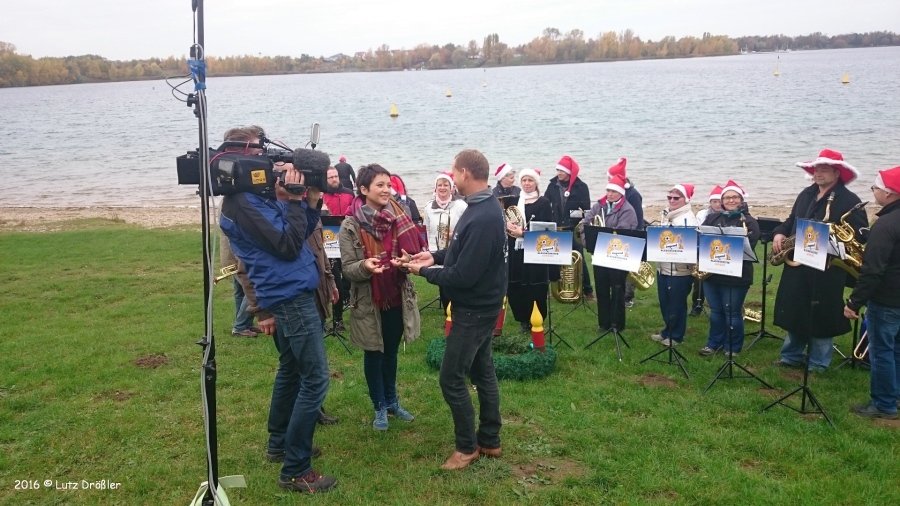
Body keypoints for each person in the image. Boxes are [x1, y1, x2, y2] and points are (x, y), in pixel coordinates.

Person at [219, 128, 336, 493]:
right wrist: (296, 199)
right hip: (289, 296)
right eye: (261, 154)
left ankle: (279, 443)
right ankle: (295, 469)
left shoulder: (255, 196)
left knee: (291, 369)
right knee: (315, 379)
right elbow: (286, 246)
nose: (269, 163)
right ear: (241, 156)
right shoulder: (243, 203)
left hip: (290, 290)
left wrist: (309, 200)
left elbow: (298, 233)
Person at [403, 149, 506, 471]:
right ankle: (490, 439)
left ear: (465, 173)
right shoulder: (479, 206)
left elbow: (463, 276)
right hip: (480, 305)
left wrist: (423, 272)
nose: (451, 176)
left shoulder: (485, 215)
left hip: (475, 309)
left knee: (451, 378)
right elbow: (462, 251)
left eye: (454, 171)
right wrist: (434, 257)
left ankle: (466, 447)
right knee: (483, 372)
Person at [339, 163, 426, 431]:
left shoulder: (399, 215)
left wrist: (407, 261)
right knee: (374, 353)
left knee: (390, 353)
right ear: (364, 189)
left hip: (397, 296)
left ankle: (392, 402)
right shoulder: (351, 225)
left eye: (388, 184)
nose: (387, 189)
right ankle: (379, 406)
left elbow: (413, 252)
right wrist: (365, 266)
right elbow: (348, 269)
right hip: (369, 301)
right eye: (380, 185)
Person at [772, 149, 867, 372]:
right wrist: (779, 232)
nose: (818, 173)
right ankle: (791, 356)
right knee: (795, 309)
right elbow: (791, 220)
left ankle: (818, 363)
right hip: (798, 263)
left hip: (827, 268)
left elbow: (860, 235)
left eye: (824, 169)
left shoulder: (850, 200)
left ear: (837, 173)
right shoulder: (806, 194)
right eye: (816, 169)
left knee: (823, 314)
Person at [844, 166, 900, 420]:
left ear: (889, 193)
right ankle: (895, 397)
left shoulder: (886, 224)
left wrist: (854, 302)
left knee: (881, 352)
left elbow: (873, 270)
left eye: (875, 187)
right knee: (896, 350)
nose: (873, 191)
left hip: (886, 299)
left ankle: (884, 404)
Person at [698, 181, 760, 357]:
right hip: (712, 274)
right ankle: (713, 343)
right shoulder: (712, 218)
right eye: (727, 197)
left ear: (741, 199)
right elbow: (701, 239)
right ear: (722, 200)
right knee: (716, 311)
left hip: (736, 275)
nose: (731, 200)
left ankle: (732, 347)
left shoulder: (749, 221)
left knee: (732, 313)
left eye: (735, 197)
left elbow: (750, 246)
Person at [582, 173, 638, 332]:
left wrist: (602, 237)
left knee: (618, 289)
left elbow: (622, 233)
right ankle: (603, 323)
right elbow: (585, 225)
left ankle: (617, 324)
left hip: (617, 257)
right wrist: (589, 243)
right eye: (608, 190)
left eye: (614, 191)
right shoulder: (598, 206)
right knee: (601, 288)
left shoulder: (627, 210)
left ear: (621, 193)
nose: (610, 194)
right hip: (599, 255)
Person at [504, 168, 553, 333]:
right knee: (515, 285)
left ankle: (537, 320)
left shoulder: (543, 203)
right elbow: (506, 220)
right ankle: (523, 320)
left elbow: (547, 230)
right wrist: (507, 225)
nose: (526, 183)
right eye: (524, 180)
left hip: (535, 250)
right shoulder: (514, 201)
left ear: (536, 183)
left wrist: (524, 234)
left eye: (530, 180)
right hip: (516, 249)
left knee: (535, 286)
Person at [652, 183, 699, 347]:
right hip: (663, 266)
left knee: (676, 304)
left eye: (676, 198)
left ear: (685, 199)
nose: (671, 200)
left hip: (680, 269)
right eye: (669, 197)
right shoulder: (667, 214)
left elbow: (690, 245)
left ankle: (677, 335)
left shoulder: (688, 219)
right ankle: (667, 331)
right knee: (665, 301)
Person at [545, 155, 594, 301]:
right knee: (553, 259)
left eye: (561, 170)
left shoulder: (582, 187)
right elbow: (546, 203)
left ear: (569, 172)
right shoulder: (552, 185)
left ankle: (587, 291)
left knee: (579, 259)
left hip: (573, 228)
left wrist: (573, 216)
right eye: (557, 170)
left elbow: (586, 211)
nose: (559, 173)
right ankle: (555, 290)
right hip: (556, 228)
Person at [423, 172, 468, 310]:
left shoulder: (461, 205)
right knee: (443, 282)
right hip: (437, 249)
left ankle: (458, 308)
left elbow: (468, 227)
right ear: (435, 188)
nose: (442, 188)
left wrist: (454, 235)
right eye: (439, 185)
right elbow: (427, 229)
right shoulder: (428, 207)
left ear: (451, 188)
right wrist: (428, 248)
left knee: (456, 279)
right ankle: (448, 312)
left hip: (456, 248)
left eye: (446, 185)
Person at [607, 157, 644, 307]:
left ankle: (628, 297)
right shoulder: (614, 194)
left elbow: (638, 218)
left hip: (632, 233)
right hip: (617, 235)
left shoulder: (633, 195)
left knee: (629, 269)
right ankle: (618, 293)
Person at [322, 166, 355, 332]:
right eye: (330, 177)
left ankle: (347, 298)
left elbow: (355, 211)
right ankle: (337, 319)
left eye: (336, 176)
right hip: (328, 241)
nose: (334, 179)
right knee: (335, 279)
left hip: (347, 239)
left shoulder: (348, 193)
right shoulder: (321, 194)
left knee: (348, 275)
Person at [691, 185, 723, 316]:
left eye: (719, 201)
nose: (717, 204)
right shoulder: (702, 214)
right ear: (710, 203)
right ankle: (696, 305)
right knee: (699, 281)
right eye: (714, 201)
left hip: (719, 250)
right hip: (704, 249)